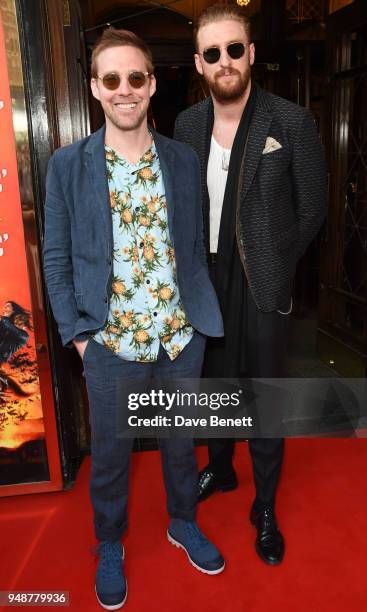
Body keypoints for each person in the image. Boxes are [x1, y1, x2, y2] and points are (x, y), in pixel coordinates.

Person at [43, 28, 225, 610]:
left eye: (136, 78)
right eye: (112, 79)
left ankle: (181, 521)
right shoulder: (67, 166)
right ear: (96, 88)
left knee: (180, 445)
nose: (126, 91)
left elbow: (194, 244)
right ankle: (109, 543)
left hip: (178, 339)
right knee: (112, 455)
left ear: (152, 84)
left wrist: (195, 322)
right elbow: (56, 256)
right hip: (109, 344)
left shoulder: (181, 159)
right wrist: (78, 337)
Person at [174, 4, 326, 566]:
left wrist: (275, 261)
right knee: (214, 381)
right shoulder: (187, 124)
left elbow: (312, 208)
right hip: (205, 277)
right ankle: (219, 464)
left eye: (234, 49)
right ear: (199, 63)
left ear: (251, 52)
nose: (225, 61)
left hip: (262, 280)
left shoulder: (291, 122)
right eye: (212, 53)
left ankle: (265, 504)